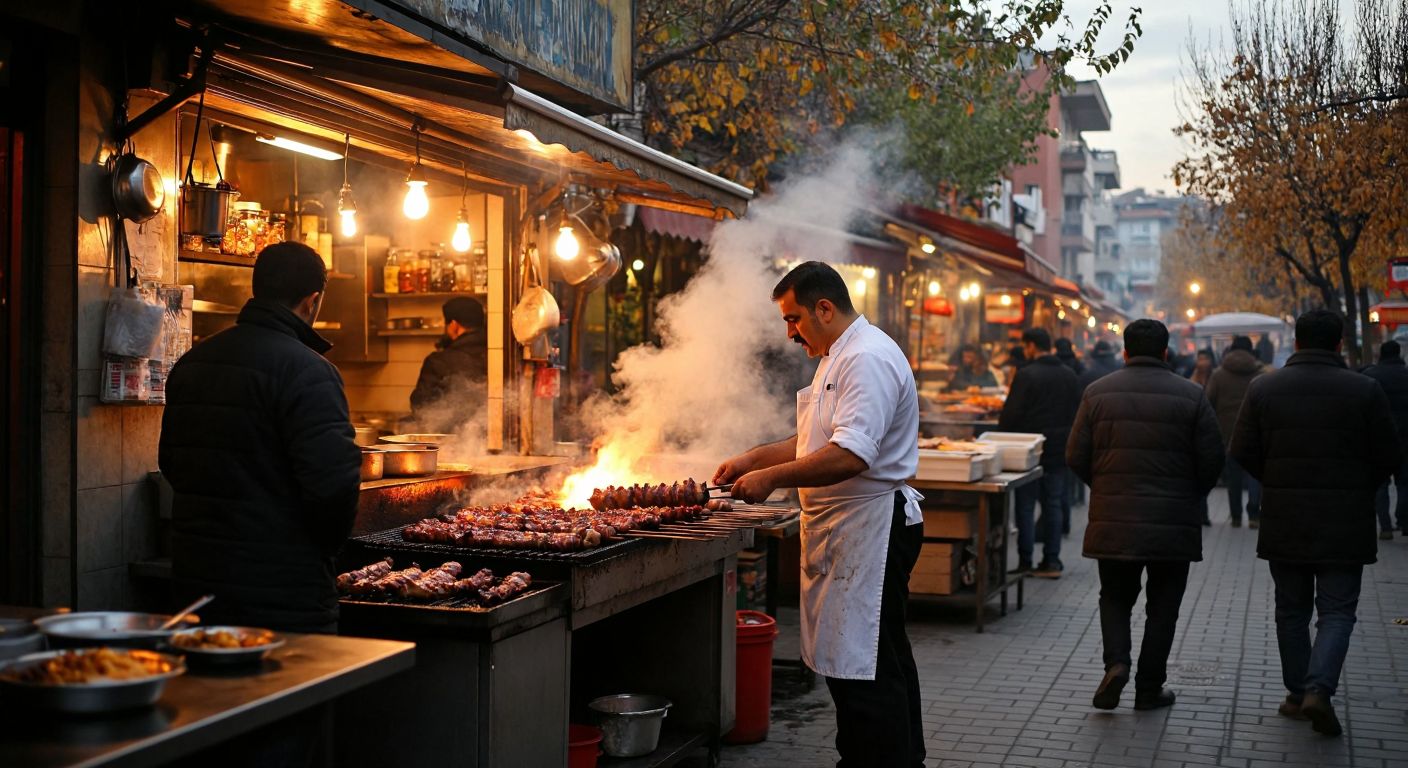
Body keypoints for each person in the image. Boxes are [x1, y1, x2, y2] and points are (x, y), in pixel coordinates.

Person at [714, 261, 925, 768]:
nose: (789, 333)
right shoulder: (836, 354)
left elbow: (851, 455)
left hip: (870, 529)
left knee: (866, 667)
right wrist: (754, 458)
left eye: (793, 319)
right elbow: (814, 441)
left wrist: (771, 480)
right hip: (849, 530)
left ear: (823, 308)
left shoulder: (867, 357)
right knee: (876, 658)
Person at [160, 242, 359, 766]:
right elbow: (334, 489)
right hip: (284, 596)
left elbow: (172, 466)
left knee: (213, 733)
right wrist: (321, 554)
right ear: (313, 300)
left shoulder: (192, 363)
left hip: (199, 588)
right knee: (291, 734)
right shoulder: (309, 371)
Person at [1229, 309, 1401, 736]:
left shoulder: (1264, 388)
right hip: (1346, 520)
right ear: (1339, 343)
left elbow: (1243, 450)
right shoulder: (1365, 390)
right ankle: (1319, 690)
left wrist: (1276, 480)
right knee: (1338, 611)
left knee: (1291, 609)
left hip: (1286, 517)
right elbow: (1389, 456)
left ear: (1298, 342)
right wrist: (1362, 487)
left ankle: (1296, 692)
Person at [1067, 319, 1224, 712]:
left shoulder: (1097, 393)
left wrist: (1106, 487)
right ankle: (1149, 688)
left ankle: (1116, 663)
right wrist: (1190, 495)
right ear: (1166, 352)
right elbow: (1212, 460)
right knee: (1164, 606)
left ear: (1124, 352)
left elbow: (1075, 456)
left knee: (1115, 598)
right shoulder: (1192, 395)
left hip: (1114, 518)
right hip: (1173, 523)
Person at [998, 327, 1080, 577]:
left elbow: (1011, 415)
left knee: (1025, 505)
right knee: (1052, 503)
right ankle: (1052, 561)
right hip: (1059, 448)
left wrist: (1003, 435)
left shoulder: (1026, 375)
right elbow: (1076, 412)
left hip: (1029, 449)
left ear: (1031, 346)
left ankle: (1025, 561)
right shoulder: (1069, 375)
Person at [1205, 336, 1266, 528]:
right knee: (1255, 474)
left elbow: (1208, 403)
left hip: (1226, 432)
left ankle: (1236, 516)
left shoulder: (1218, 374)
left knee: (1234, 476)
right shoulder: (1260, 375)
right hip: (1254, 432)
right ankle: (1254, 514)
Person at [410, 296, 488, 433]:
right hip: (487, 438)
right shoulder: (495, 356)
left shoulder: (438, 361)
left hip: (451, 442)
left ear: (454, 325)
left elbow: (420, 406)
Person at [1361, 340, 1408, 539]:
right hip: (1406, 438)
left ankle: (1386, 527)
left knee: (1380, 485)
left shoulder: (1369, 377)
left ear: (1381, 354)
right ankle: (1405, 521)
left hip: (1377, 438)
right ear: (1399, 354)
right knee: (1404, 483)